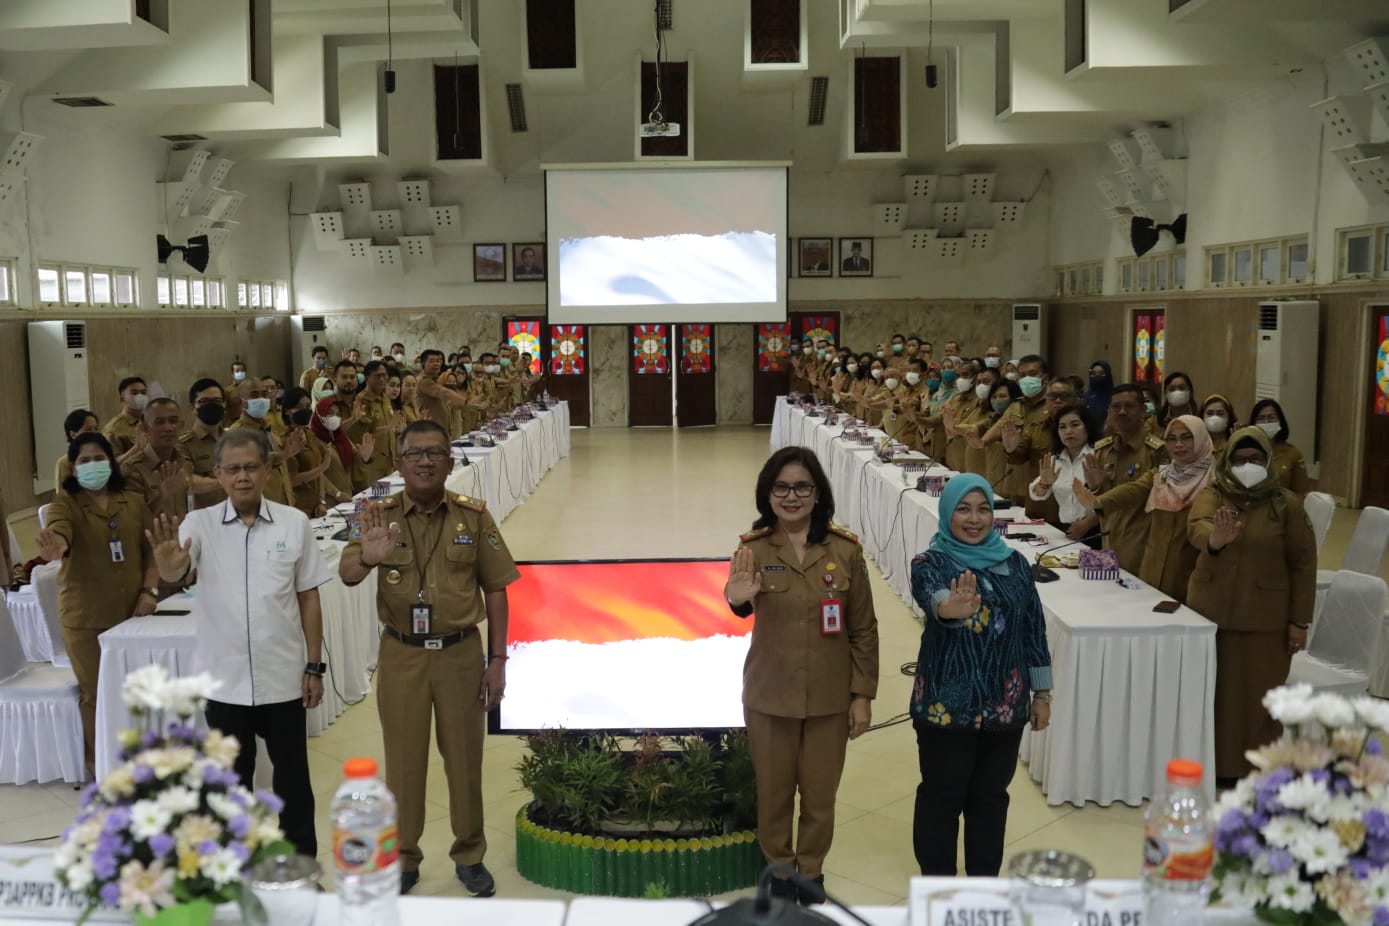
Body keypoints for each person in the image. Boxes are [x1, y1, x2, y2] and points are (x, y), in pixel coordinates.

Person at [340, 421, 519, 896]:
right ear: (398, 463)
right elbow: (347, 573)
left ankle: (470, 853)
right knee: (403, 761)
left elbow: (496, 588)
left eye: (435, 452)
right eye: (414, 453)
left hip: (461, 653)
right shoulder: (378, 516)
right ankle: (403, 857)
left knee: (464, 759)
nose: (424, 460)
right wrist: (369, 556)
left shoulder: (473, 516)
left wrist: (498, 658)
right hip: (402, 655)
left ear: (450, 461)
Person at [147, 428, 330, 856]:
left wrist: (315, 665)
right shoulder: (201, 524)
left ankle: (301, 863)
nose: (243, 477)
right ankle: (233, 862)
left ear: (267, 470)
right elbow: (177, 570)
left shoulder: (293, 523)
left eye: (251, 467)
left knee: (292, 779)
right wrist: (168, 569)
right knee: (229, 780)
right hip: (224, 680)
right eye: (233, 469)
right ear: (218, 474)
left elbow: (309, 596)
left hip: (283, 675)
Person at [723, 447, 878, 902]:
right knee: (773, 797)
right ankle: (779, 871)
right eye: (782, 488)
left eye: (802, 487)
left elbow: (864, 628)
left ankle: (810, 872)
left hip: (830, 697)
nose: (792, 496)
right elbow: (739, 598)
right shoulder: (752, 550)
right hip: (771, 694)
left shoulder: (845, 551)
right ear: (768, 495)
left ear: (817, 494)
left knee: (819, 796)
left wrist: (862, 694)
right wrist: (735, 599)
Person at [909, 473, 1051, 876]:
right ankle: (939, 888)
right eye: (963, 509)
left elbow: (1033, 629)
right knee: (942, 797)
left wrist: (1042, 695)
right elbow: (930, 594)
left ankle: (982, 892)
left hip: (1005, 710)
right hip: (945, 709)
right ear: (947, 513)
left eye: (983, 508)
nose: (975, 519)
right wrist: (947, 609)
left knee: (990, 800)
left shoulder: (1016, 565)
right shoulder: (931, 563)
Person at [1186, 427, 1316, 782]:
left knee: (1257, 700)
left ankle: (1254, 770)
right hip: (1211, 613)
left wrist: (1299, 622)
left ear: (1268, 461)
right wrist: (1215, 538)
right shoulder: (1215, 494)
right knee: (1214, 697)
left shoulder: (1287, 504)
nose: (1247, 465)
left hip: (1265, 621)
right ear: (1227, 462)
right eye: (1240, 460)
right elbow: (1196, 527)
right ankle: (1212, 767)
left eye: (1255, 459)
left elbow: (1304, 565)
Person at [35, 433, 158, 777]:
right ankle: (100, 761)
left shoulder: (132, 501)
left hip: (134, 614)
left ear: (111, 460)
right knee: (96, 691)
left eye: (98, 457)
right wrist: (56, 546)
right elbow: (60, 531)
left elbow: (151, 550)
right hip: (85, 617)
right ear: (73, 469)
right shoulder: (66, 504)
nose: (92, 466)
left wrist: (150, 591)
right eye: (84, 461)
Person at [1075, 416, 1214, 603]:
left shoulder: (1216, 477)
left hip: (1190, 569)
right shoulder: (1163, 474)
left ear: (1201, 438)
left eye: (1186, 437)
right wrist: (1097, 502)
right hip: (1152, 567)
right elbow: (1132, 490)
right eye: (1172, 439)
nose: (1178, 444)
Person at [1080, 384, 1166, 575]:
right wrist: (1093, 487)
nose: (1122, 412)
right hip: (1107, 542)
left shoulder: (1157, 451)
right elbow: (1096, 501)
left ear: (1143, 410)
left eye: (1129, 406)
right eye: (1116, 407)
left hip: (1142, 547)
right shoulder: (1103, 449)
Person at [983, 355, 1052, 505]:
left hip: (1049, 486)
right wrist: (1010, 448)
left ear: (1045, 379)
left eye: (1033, 374)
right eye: (1022, 375)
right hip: (1020, 484)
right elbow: (993, 434)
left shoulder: (1054, 405)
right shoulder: (1016, 406)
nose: (1027, 379)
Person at [1027, 403, 1100, 543]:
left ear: (1087, 427)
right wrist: (1044, 483)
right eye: (1062, 427)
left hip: (1097, 531)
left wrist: (1087, 524)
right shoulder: (1057, 460)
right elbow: (1036, 494)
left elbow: (1111, 501)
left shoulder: (1098, 456)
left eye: (1075, 425)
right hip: (1066, 530)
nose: (1068, 431)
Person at [124, 398, 195, 521]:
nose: (168, 428)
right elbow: (133, 520)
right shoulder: (133, 468)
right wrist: (161, 497)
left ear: (181, 425)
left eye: (173, 421)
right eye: (159, 422)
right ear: (145, 428)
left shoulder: (185, 464)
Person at [350, 360, 401, 492]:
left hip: (388, 462)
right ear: (367, 378)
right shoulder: (362, 401)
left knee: (388, 501)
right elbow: (363, 435)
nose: (382, 379)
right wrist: (388, 427)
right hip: (370, 466)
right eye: (378, 376)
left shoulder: (385, 398)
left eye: (385, 375)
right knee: (374, 502)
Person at [282, 388, 333, 517]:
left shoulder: (309, 434)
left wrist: (322, 501)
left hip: (317, 509)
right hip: (298, 509)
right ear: (288, 411)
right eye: (300, 407)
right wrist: (322, 468)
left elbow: (319, 472)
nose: (306, 411)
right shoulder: (285, 440)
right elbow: (290, 480)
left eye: (308, 406)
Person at [1248, 398, 1310, 494]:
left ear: (1280, 420)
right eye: (1261, 418)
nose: (1266, 422)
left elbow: (1301, 493)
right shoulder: (1245, 451)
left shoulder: (1293, 453)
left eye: (1271, 417)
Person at [54, 408, 101, 491]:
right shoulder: (65, 462)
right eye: (88, 430)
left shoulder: (103, 455)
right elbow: (63, 494)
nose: (94, 434)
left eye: (96, 429)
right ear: (73, 434)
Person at [102, 376, 149, 456]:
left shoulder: (151, 421)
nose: (140, 396)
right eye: (134, 393)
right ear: (122, 399)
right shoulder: (113, 429)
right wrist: (136, 449)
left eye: (143, 393)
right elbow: (112, 464)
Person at [1082, 360, 1114, 429]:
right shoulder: (1085, 397)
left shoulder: (1115, 397)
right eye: (1094, 373)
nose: (1097, 376)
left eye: (1101, 373)